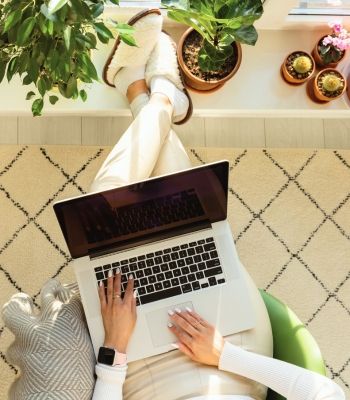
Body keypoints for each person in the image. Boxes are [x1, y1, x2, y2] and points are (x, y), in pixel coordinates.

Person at [89, 9, 345, 400]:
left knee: (102, 213)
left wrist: (116, 349)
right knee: (183, 215)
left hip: (142, 374)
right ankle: (149, 96)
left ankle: (151, 97)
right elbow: (328, 393)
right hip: (233, 351)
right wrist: (225, 355)